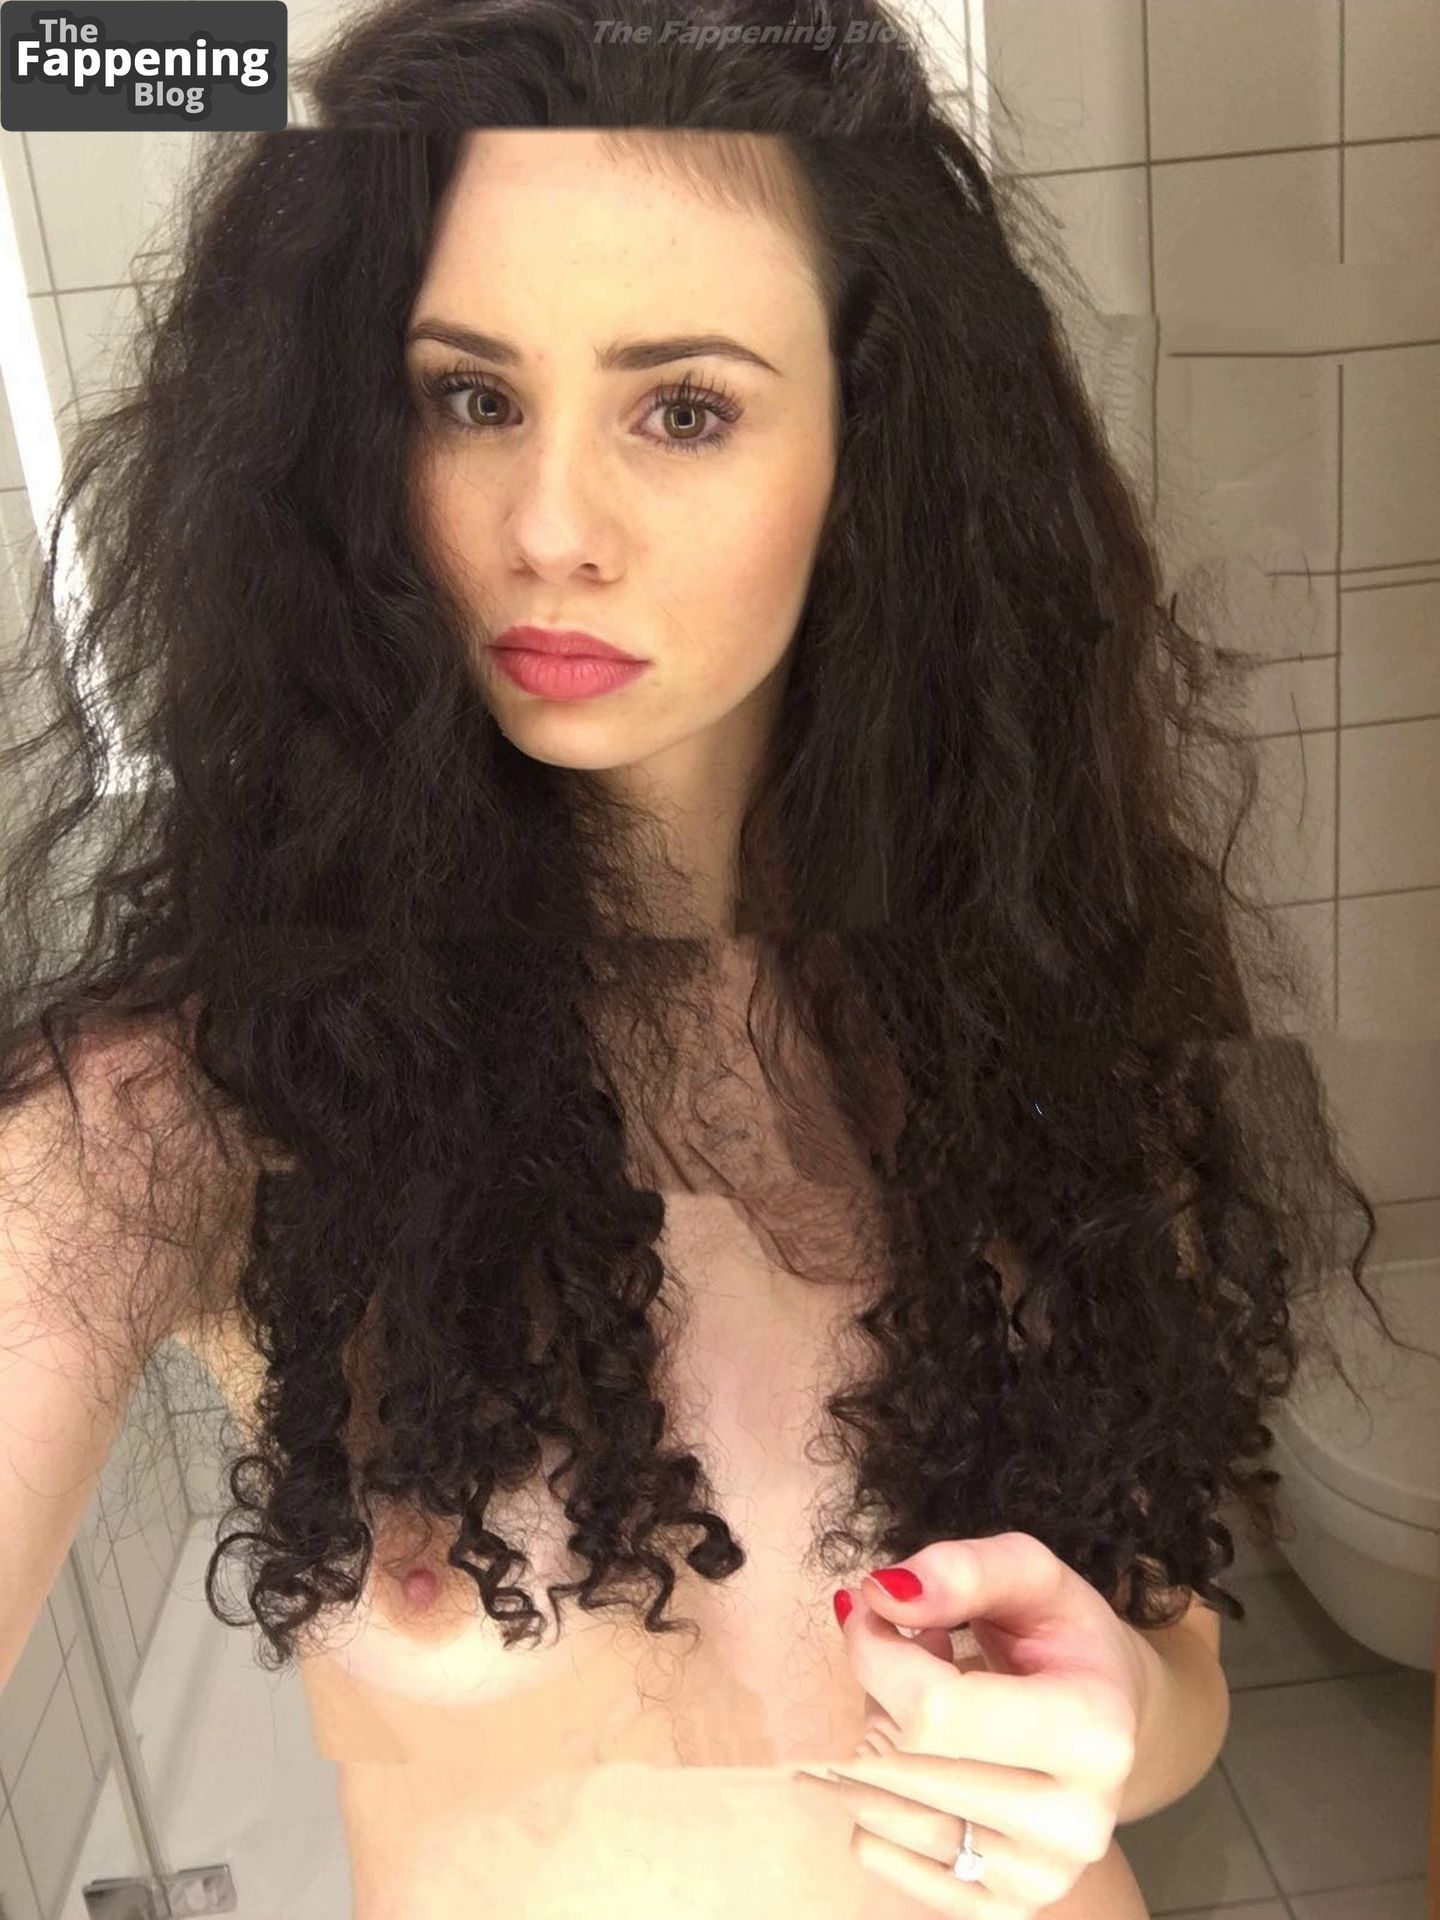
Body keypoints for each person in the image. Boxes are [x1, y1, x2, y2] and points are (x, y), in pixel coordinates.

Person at [1, 1, 1423, 1915]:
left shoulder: (1037, 1012)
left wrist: (1117, 1723)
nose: (551, 526)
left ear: (867, 446)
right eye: (470, 398)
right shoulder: (184, 1107)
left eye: (682, 408)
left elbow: (1174, 1674)